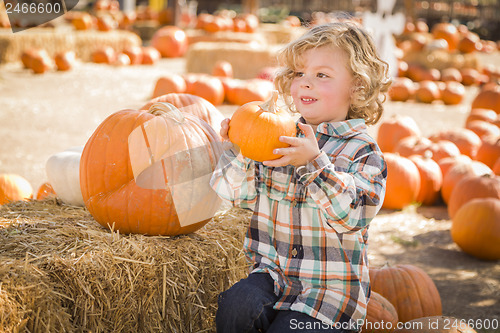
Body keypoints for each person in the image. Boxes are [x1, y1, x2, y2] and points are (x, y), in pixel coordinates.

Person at [210, 20, 390, 333]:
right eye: (298, 73)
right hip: (273, 278)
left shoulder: (363, 152)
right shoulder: (276, 137)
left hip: (328, 296)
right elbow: (233, 196)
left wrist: (315, 163)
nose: (305, 83)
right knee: (234, 307)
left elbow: (353, 216)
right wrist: (239, 150)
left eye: (321, 75)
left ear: (357, 86)